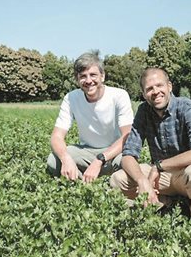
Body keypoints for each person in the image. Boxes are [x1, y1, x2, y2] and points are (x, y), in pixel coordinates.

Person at [110, 67, 191, 217]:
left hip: (186, 173)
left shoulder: (186, 107)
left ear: (169, 86)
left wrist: (159, 166)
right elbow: (128, 155)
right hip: (161, 177)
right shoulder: (144, 111)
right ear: (144, 94)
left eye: (159, 85)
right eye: (149, 89)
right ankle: (164, 202)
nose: (155, 92)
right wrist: (142, 181)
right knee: (118, 179)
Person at [47, 50, 134, 183]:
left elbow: (127, 136)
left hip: (113, 152)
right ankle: (86, 184)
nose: (88, 81)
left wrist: (100, 159)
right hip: (86, 152)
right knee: (53, 161)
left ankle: (103, 183)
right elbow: (56, 136)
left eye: (93, 75)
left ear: (102, 76)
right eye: (83, 76)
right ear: (77, 79)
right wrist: (66, 158)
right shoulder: (71, 98)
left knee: (126, 162)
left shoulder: (119, 95)